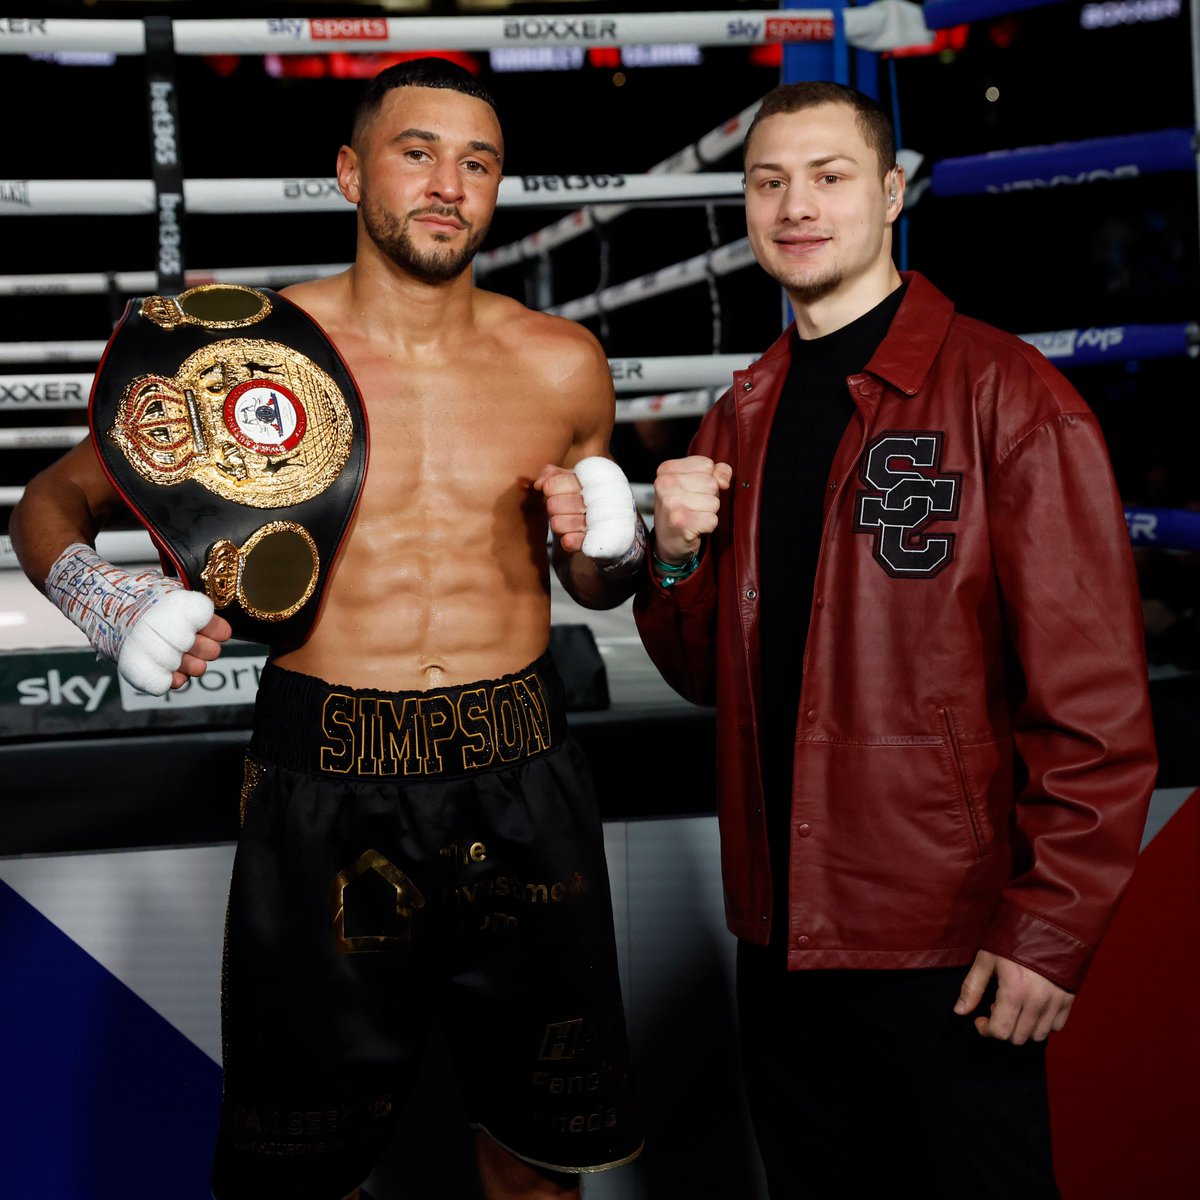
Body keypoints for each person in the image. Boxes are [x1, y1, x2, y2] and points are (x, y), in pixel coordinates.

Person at [10, 58, 644, 1200]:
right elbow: (48, 505)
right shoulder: (246, 359)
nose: (450, 183)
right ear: (351, 173)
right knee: (304, 1175)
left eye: (479, 161)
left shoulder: (562, 362)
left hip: (524, 770)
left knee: (538, 1162)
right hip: (323, 777)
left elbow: (593, 588)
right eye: (418, 152)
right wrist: (109, 602)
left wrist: (615, 544)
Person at [633, 80, 1157, 1199]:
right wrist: (672, 555)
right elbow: (700, 674)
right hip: (778, 937)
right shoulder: (744, 408)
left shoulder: (1011, 398)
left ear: (889, 190)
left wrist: (1049, 931)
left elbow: (1098, 710)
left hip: (950, 944)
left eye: (827, 177)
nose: (796, 206)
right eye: (768, 181)